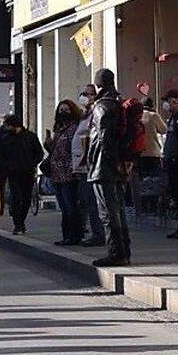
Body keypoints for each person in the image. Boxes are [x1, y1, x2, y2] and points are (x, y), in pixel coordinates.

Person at [87, 69, 132, 267]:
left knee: (107, 211)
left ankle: (116, 252)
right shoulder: (117, 102)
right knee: (117, 209)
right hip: (115, 165)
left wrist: (110, 162)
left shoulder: (102, 106)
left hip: (103, 166)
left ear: (98, 84)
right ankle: (124, 250)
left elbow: (104, 138)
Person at [0, 114, 44, 234]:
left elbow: (39, 153)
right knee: (16, 197)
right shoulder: (2, 138)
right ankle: (17, 224)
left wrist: (32, 163)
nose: (5, 127)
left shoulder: (30, 137)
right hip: (12, 173)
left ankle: (21, 221)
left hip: (27, 172)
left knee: (26, 198)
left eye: (8, 125)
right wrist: (4, 166)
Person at [45, 101, 86, 246]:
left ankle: (74, 236)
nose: (63, 112)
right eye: (61, 109)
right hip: (57, 174)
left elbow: (74, 151)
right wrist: (48, 143)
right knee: (64, 207)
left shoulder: (74, 128)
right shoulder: (59, 129)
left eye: (66, 109)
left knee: (71, 206)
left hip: (69, 174)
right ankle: (67, 236)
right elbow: (56, 150)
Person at [73, 85, 105, 246]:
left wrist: (85, 158)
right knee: (87, 201)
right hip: (82, 165)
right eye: (83, 94)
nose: (84, 97)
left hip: (89, 164)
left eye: (87, 94)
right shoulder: (84, 115)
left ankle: (99, 234)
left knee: (93, 202)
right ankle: (96, 232)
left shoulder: (95, 113)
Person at [163, 90, 178, 239]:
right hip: (172, 161)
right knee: (177, 196)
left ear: (175, 101)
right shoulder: (173, 117)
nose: (166, 104)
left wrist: (177, 157)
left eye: (168, 101)